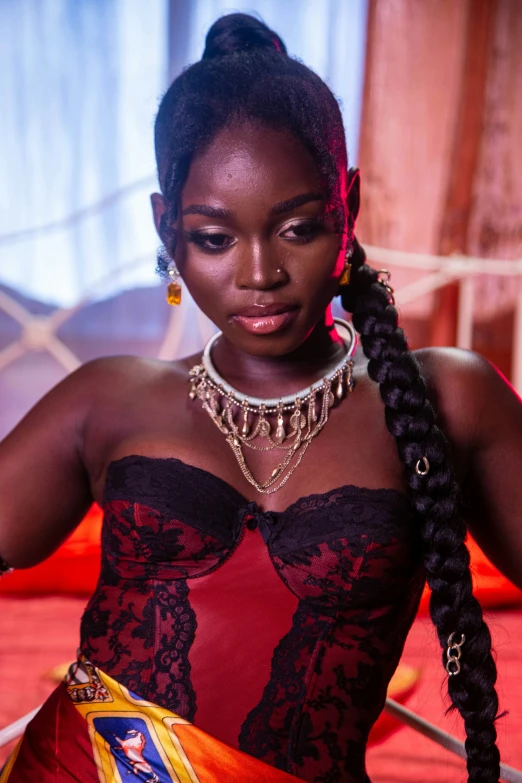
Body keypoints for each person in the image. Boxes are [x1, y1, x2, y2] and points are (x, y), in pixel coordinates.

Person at [0, 12, 521, 783]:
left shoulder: (446, 397)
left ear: (348, 206)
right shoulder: (107, 400)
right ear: (166, 229)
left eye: (298, 229)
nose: (258, 274)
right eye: (213, 238)